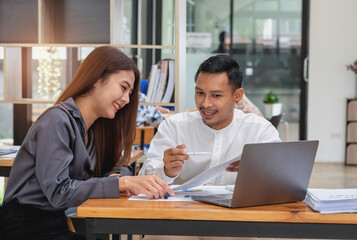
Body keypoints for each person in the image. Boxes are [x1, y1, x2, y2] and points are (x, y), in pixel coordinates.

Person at [0, 46, 174, 240]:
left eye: (129, 93)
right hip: (24, 227)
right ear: (97, 80)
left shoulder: (96, 128)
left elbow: (121, 167)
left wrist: (118, 177)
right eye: (123, 88)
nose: (126, 99)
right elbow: (59, 192)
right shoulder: (57, 120)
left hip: (59, 223)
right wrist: (121, 183)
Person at [139, 55, 280, 186]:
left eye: (216, 95)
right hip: (184, 211)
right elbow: (143, 179)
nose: (205, 104)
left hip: (239, 211)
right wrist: (166, 171)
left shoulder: (259, 129)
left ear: (237, 96)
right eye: (200, 93)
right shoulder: (174, 126)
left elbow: (283, 178)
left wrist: (260, 170)